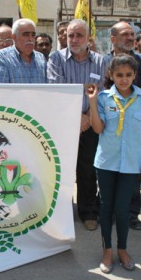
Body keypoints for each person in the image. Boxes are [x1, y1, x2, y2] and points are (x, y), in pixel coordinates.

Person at [88, 54, 141, 274]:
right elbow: (98, 128)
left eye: (128, 75)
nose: (124, 79)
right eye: (119, 75)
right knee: (106, 207)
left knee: (123, 208)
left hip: (132, 163)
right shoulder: (104, 98)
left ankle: (122, 249)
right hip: (107, 161)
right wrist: (92, 102)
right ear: (111, 75)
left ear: (135, 75)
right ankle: (107, 250)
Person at [47, 19, 106, 231]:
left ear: (88, 38)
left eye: (79, 35)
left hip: (90, 123)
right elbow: (56, 89)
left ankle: (88, 211)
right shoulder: (56, 58)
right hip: (63, 122)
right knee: (60, 168)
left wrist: (88, 117)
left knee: (87, 169)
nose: (73, 39)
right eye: (70, 35)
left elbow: (102, 91)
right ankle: (61, 211)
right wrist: (76, 116)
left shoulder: (100, 61)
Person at [103, 21, 141, 230]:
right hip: (109, 123)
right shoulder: (103, 60)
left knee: (132, 174)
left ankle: (132, 214)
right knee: (108, 172)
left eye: (132, 34)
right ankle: (108, 212)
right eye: (125, 34)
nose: (130, 38)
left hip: (134, 123)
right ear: (113, 39)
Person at [0, 18, 46, 83]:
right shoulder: (2, 57)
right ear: (14, 37)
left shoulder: (41, 58)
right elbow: (0, 88)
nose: (30, 39)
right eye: (26, 35)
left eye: (33, 35)